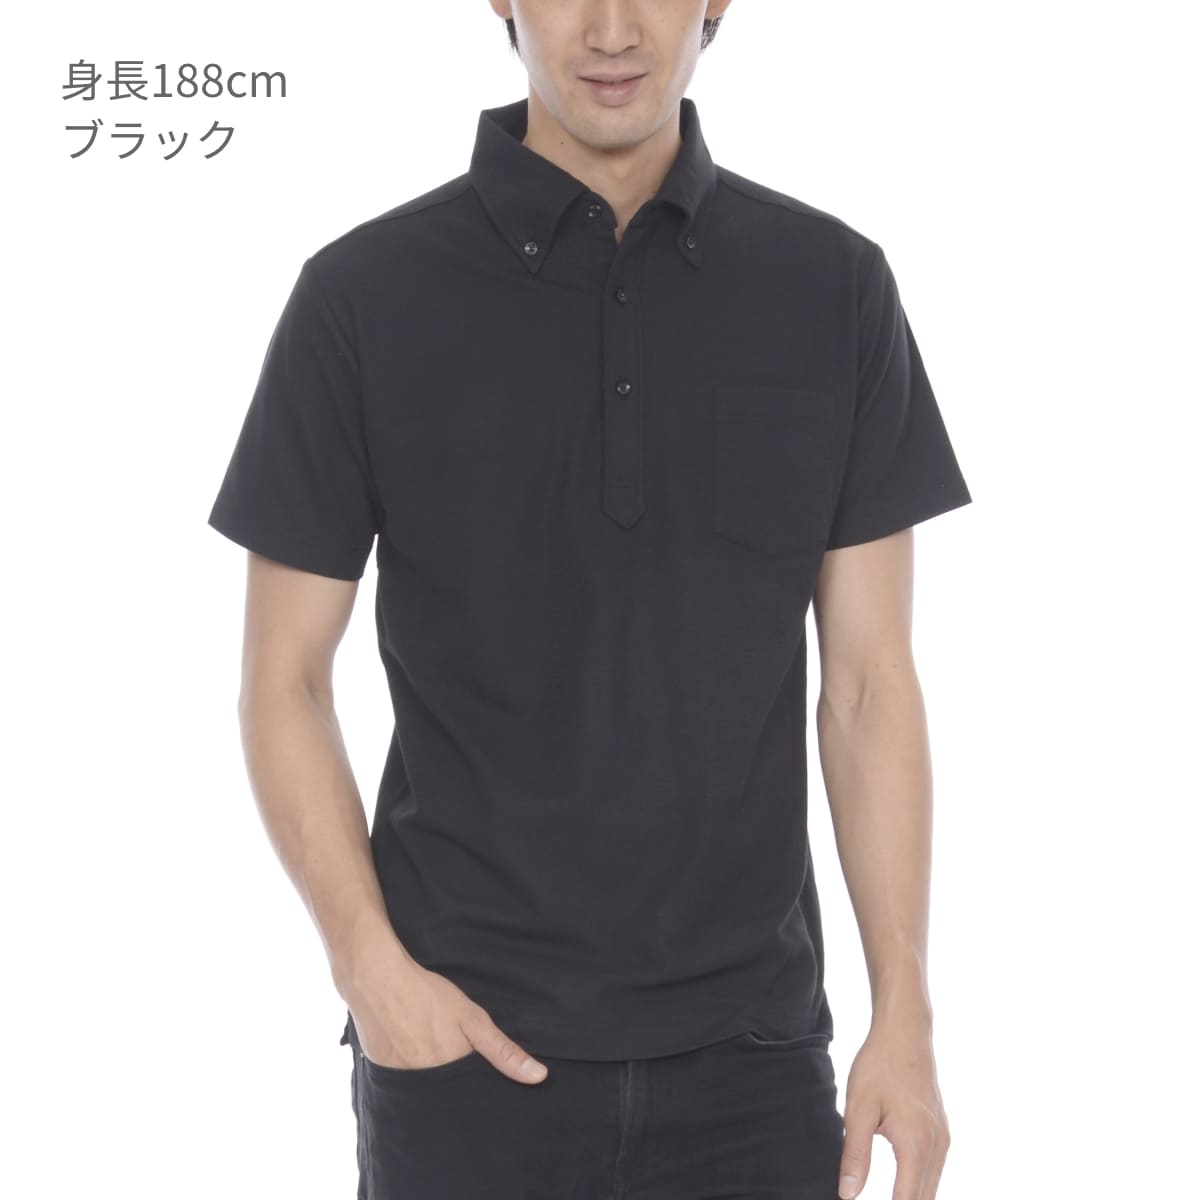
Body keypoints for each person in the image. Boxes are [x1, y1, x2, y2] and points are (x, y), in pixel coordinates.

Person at [207, 2, 970, 1197]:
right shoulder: (363, 297)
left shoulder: (832, 288)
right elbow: (282, 679)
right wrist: (371, 973)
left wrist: (905, 1019)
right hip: (461, 1058)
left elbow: (870, 688)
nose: (612, 28)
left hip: (756, 1064)